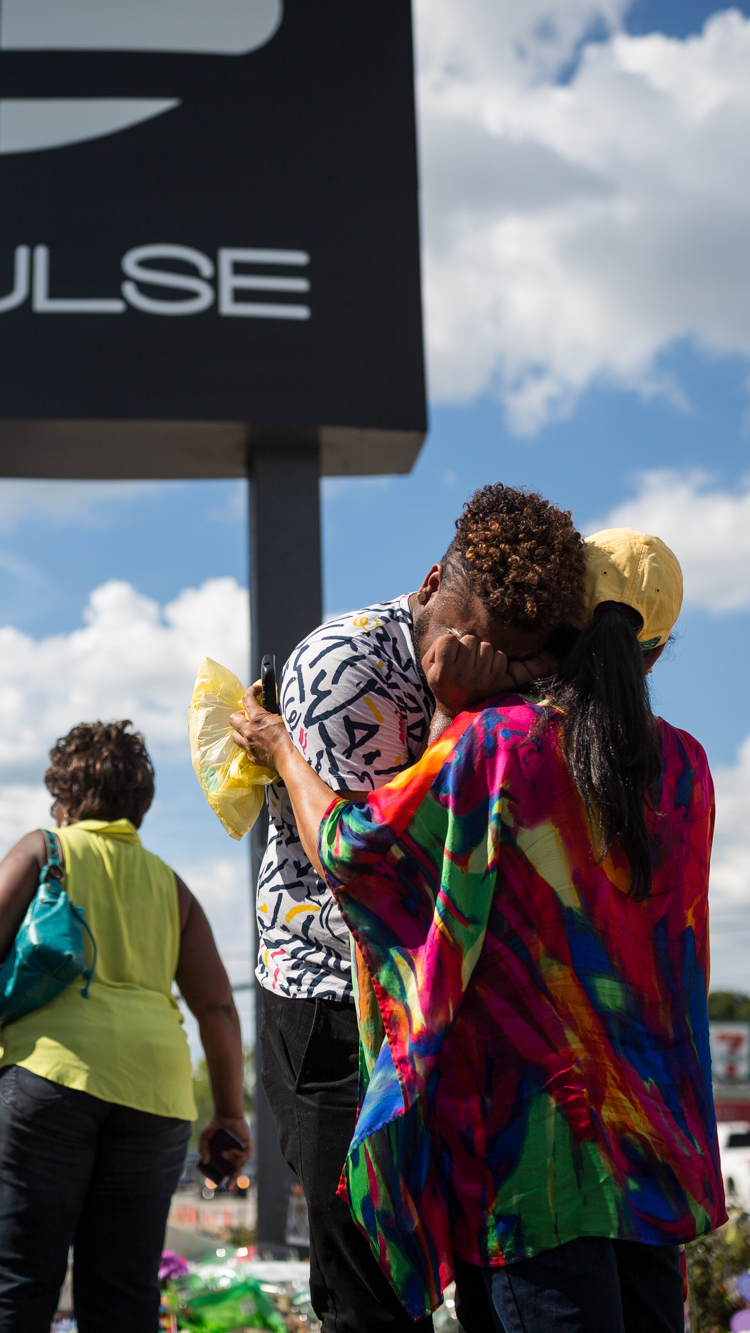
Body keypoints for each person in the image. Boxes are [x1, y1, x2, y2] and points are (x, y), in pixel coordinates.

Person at [233, 528, 722, 1333]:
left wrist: (281, 745)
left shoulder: (494, 742)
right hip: (655, 1148)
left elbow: (362, 857)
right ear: (654, 656)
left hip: (532, 1157)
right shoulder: (687, 767)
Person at [252, 484, 584, 1333]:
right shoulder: (344, 665)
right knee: (369, 1292)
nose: (474, 661)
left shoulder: (536, 683)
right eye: (460, 636)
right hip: (339, 1001)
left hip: (457, 1013)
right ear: (432, 579)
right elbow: (377, 872)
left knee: (481, 1281)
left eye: (507, 660)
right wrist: (452, 714)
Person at [0, 721, 250, 1333]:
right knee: (124, 1291)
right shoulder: (173, 886)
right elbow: (219, 1009)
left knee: (18, 1278)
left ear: (61, 796)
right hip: (156, 1095)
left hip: (48, 1080)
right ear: (140, 805)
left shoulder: (46, 850)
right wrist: (228, 1112)